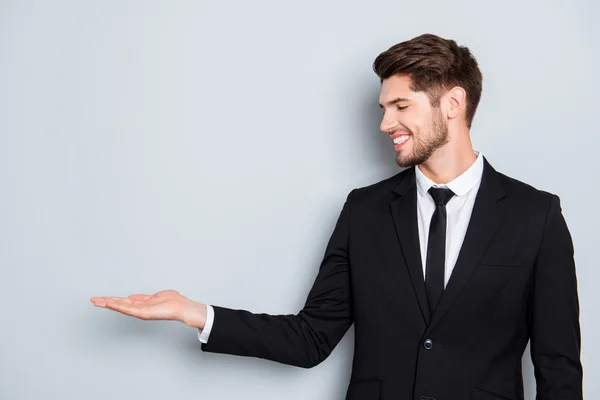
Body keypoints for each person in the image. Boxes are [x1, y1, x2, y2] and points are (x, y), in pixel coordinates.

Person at [91, 33, 583, 400]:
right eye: (383, 107)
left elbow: (558, 366)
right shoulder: (364, 211)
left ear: (453, 103)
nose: (385, 123)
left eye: (400, 105)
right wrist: (194, 312)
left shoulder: (534, 215)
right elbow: (310, 338)